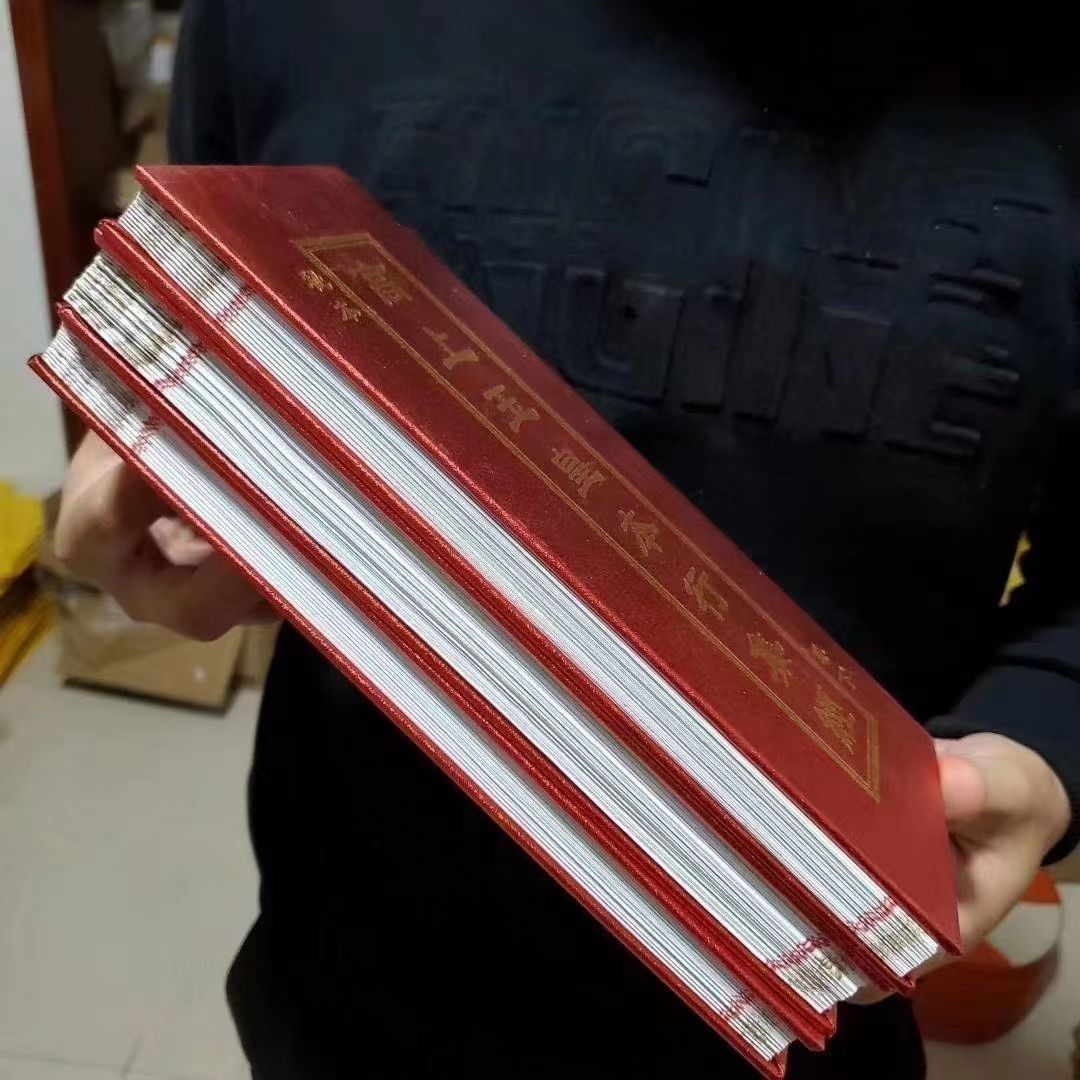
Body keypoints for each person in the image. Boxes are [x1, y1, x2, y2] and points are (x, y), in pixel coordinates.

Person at [55, 2, 1079, 1076]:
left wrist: (1041, 740)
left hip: (799, 1017)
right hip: (347, 984)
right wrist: (171, 466)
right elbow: (217, 289)